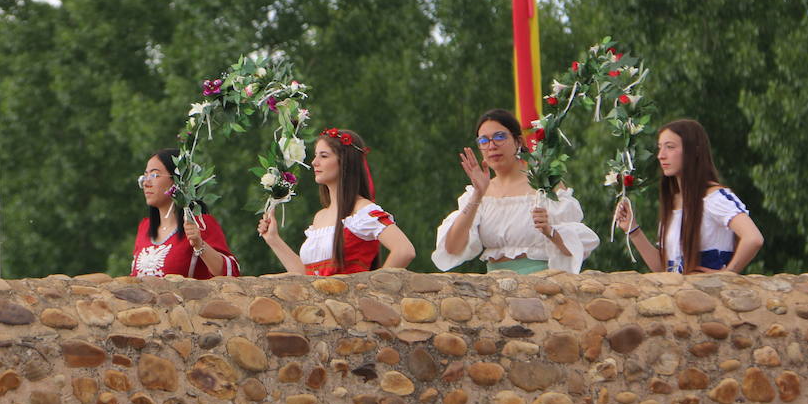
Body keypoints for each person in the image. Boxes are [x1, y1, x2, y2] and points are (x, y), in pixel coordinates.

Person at [432, 109, 598, 274]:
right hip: (496, 288)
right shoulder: (479, 194)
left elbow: (579, 246)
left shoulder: (545, 185)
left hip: (542, 282)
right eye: (484, 141)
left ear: (518, 141)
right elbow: (452, 248)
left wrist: (550, 231)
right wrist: (477, 195)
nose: (492, 146)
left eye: (499, 137)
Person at [258, 127, 415, 275]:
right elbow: (307, 278)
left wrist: (376, 287)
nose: (314, 162)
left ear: (345, 162)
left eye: (324, 156)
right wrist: (273, 239)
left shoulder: (363, 211)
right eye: (315, 155)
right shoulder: (320, 217)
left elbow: (404, 250)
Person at [613, 119, 763, 274]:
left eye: (670, 147)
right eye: (660, 148)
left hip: (710, 295)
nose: (661, 155)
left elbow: (753, 238)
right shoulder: (674, 203)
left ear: (694, 150)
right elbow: (664, 269)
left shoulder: (714, 197)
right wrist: (633, 229)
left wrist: (729, 274)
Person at [130, 149, 240, 278]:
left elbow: (230, 274)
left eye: (154, 175)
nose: (146, 183)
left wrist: (200, 244)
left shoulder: (200, 224)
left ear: (179, 182)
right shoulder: (145, 227)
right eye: (145, 176)